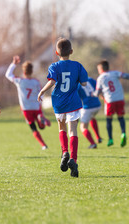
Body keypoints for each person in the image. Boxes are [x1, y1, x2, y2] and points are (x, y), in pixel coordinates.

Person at [38, 38, 88, 178]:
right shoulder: (77, 66)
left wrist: (42, 91)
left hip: (58, 102)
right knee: (73, 131)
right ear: (71, 51)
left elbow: (52, 81)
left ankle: (64, 152)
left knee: (61, 128)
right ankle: (73, 160)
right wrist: (77, 80)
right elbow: (84, 83)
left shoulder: (54, 66)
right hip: (73, 102)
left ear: (56, 52)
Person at [94, 60, 129, 147]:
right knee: (121, 117)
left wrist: (94, 94)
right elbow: (126, 76)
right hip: (120, 99)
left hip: (110, 101)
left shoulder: (100, 78)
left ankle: (110, 139)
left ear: (101, 69)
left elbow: (97, 92)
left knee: (109, 119)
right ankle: (123, 133)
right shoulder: (115, 73)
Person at [5, 55, 50, 150]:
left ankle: (43, 145)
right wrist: (40, 105)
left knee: (33, 128)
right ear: (32, 71)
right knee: (42, 127)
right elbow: (41, 94)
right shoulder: (36, 82)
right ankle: (41, 118)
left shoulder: (20, 81)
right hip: (36, 106)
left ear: (23, 71)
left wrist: (14, 64)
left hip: (26, 108)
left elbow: (8, 75)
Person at [77, 77, 102, 149]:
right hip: (97, 105)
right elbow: (99, 87)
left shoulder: (77, 85)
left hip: (88, 107)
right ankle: (98, 137)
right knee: (92, 117)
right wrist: (101, 95)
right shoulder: (90, 79)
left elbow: (77, 98)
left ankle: (93, 143)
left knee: (83, 127)